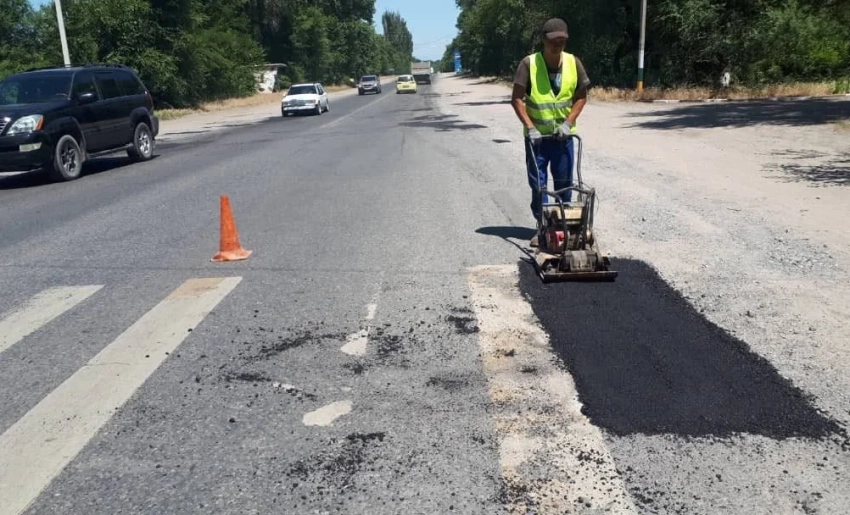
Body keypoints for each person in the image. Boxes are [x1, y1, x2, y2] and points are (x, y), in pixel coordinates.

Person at [511, 17, 591, 246]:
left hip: (563, 139)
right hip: (537, 140)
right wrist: (530, 127)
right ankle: (543, 227)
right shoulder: (529, 64)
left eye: (561, 41)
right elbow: (516, 99)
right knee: (539, 187)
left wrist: (568, 123)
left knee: (565, 184)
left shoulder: (574, 63)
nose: (557, 45)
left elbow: (581, 97)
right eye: (553, 41)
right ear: (543, 40)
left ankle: (564, 228)